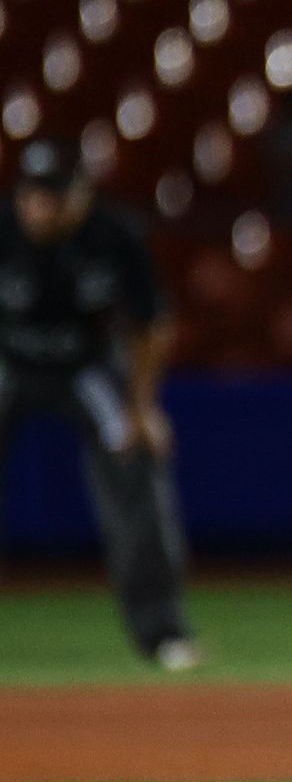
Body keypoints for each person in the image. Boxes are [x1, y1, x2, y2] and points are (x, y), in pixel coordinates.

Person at [0, 138, 199, 669]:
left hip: (86, 367)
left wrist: (142, 408)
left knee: (135, 453)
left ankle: (161, 630)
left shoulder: (112, 235)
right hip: (8, 362)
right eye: (32, 195)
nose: (40, 207)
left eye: (54, 196)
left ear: (80, 196)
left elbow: (152, 325)